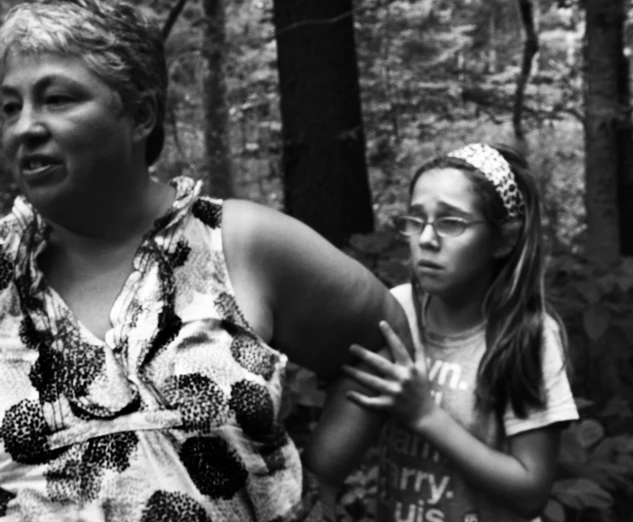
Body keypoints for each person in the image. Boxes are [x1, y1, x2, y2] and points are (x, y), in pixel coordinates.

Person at [0, 1, 411, 520]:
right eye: (10, 107)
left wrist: (323, 477)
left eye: (56, 99)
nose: (24, 127)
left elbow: (382, 342)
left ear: (141, 114)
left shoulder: (239, 245)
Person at [343, 143, 580, 521]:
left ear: (503, 239)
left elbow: (531, 492)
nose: (426, 239)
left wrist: (425, 415)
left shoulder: (527, 335)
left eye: (451, 223)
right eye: (416, 220)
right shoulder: (396, 309)